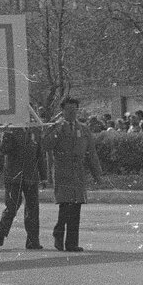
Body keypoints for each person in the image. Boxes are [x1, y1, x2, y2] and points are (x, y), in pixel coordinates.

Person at [44, 97, 102, 252]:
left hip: (78, 172)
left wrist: (97, 174)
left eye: (74, 109)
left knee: (76, 207)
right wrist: (57, 130)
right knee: (65, 206)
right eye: (68, 110)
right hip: (63, 171)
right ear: (62, 111)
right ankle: (58, 233)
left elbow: (91, 153)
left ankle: (72, 243)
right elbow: (46, 145)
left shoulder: (83, 129)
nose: (72, 113)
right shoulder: (56, 127)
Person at [0, 125, 47, 249]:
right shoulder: (11, 130)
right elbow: (3, 150)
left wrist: (44, 177)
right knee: (12, 206)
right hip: (14, 177)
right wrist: (7, 136)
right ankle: (2, 230)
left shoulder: (35, 131)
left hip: (31, 177)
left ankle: (32, 241)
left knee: (33, 210)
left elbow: (40, 156)